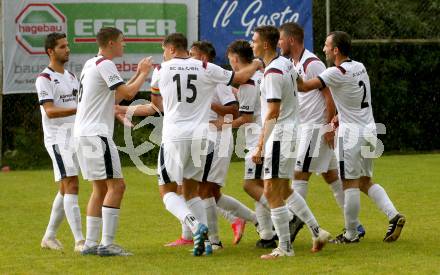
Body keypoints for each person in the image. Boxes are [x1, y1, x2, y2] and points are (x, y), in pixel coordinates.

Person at [148, 33, 261, 256]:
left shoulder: (161, 69)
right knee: (192, 191)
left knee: (168, 191)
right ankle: (208, 241)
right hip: (201, 137)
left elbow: (155, 101)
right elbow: (239, 78)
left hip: (175, 135)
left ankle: (195, 225)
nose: (163, 54)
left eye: (164, 50)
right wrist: (257, 63)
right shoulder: (205, 67)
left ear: (170, 49)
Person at [297, 30, 405, 243]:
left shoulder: (335, 72)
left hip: (351, 135)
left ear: (336, 50)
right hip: (370, 130)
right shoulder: (359, 66)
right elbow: (352, 97)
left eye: (327, 46)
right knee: (365, 180)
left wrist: (285, 69)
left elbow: (303, 86)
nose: (324, 49)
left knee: (350, 183)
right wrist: (338, 115)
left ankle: (351, 233)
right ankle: (394, 216)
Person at [278, 22, 365, 241]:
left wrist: (328, 127)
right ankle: (355, 226)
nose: (279, 44)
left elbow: (329, 96)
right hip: (305, 127)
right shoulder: (292, 62)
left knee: (299, 174)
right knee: (331, 176)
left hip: (315, 128)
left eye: (280, 39)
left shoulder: (312, 63)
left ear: (290, 40)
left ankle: (294, 221)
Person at [250, 25, 330, 259]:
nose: (251, 44)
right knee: (284, 189)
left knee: (271, 190)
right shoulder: (286, 64)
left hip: (280, 137)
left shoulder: (274, 71)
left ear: (265, 44)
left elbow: (273, 111)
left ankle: (285, 247)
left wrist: (260, 144)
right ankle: (317, 231)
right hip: (293, 132)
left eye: (254, 40)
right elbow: (303, 86)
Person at [74, 27, 153, 256]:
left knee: (99, 188)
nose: (124, 45)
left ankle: (90, 243)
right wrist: (144, 73)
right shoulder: (105, 64)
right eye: (121, 41)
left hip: (83, 133)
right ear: (110, 43)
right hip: (96, 134)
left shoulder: (92, 64)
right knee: (117, 186)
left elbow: (116, 95)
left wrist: (138, 74)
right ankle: (106, 244)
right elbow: (128, 94)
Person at [189, 41, 257, 249]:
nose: (189, 58)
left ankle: (215, 240)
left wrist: (208, 104)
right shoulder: (193, 78)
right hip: (204, 138)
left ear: (203, 58)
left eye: (193, 54)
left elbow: (234, 111)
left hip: (219, 138)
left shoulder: (217, 80)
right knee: (210, 192)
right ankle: (253, 219)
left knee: (205, 190)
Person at [224, 39, 277, 249]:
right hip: (268, 136)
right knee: (261, 187)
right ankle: (267, 234)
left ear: (236, 60)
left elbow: (245, 118)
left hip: (258, 141)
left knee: (249, 185)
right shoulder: (260, 75)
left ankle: (289, 217)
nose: (230, 65)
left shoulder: (247, 83)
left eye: (230, 60)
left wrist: (222, 125)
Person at [36, 32, 85, 252]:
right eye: (62, 46)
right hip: (57, 139)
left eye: (68, 45)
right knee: (72, 184)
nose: (68, 49)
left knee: (66, 188)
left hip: (74, 137)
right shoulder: (44, 79)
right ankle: (80, 241)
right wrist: (79, 108)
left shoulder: (72, 76)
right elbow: (50, 111)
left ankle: (49, 236)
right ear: (50, 51)